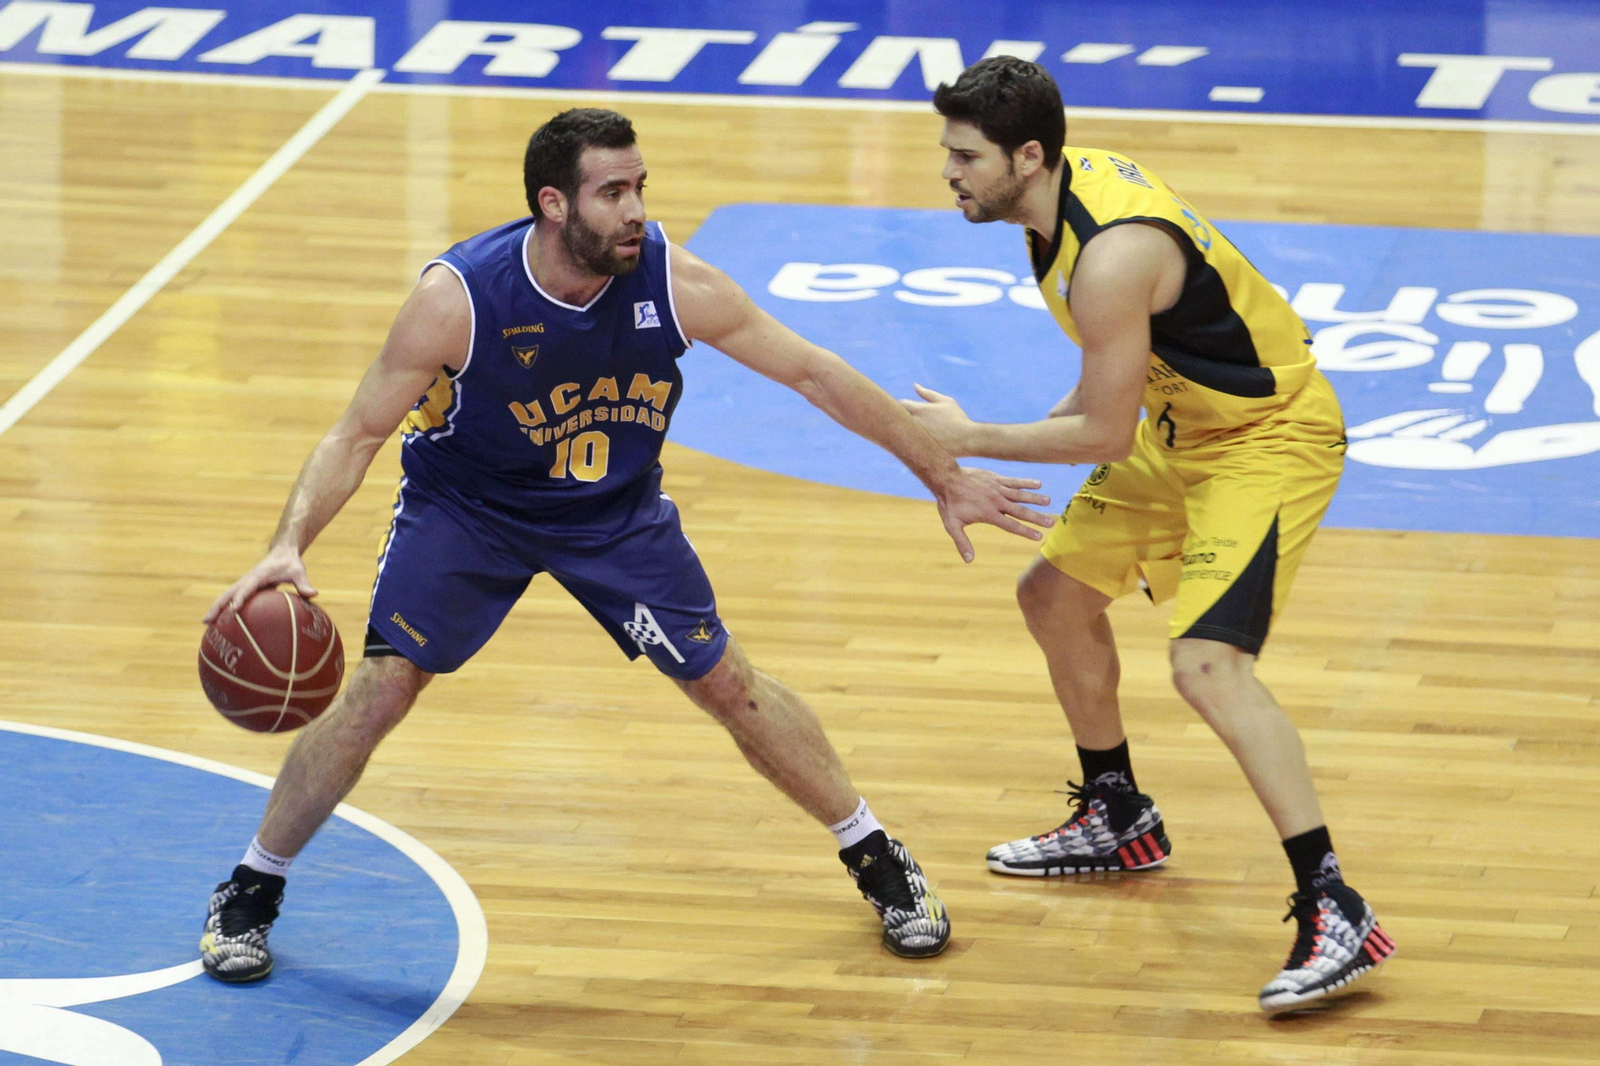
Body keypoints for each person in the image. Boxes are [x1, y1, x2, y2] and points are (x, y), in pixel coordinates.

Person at [198, 107, 1055, 980]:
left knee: (727, 684)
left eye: (640, 186)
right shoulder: (457, 300)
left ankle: (875, 854)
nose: (637, 209)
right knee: (381, 688)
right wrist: (288, 544)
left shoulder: (675, 284)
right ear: (552, 206)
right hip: (470, 509)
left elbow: (815, 373)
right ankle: (251, 887)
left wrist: (942, 473)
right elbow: (353, 437)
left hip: (612, 515)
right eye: (613, 192)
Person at [902, 58, 1395, 1011]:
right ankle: (1117, 814)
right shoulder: (1053, 209)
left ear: (1029, 154)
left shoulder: (1113, 254)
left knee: (1208, 666)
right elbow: (1107, 397)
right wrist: (985, 459)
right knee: (1052, 595)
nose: (949, 172)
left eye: (965, 155)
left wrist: (968, 437)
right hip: (1179, 431)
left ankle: (1336, 905)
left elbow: (1099, 431)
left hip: (1266, 443)